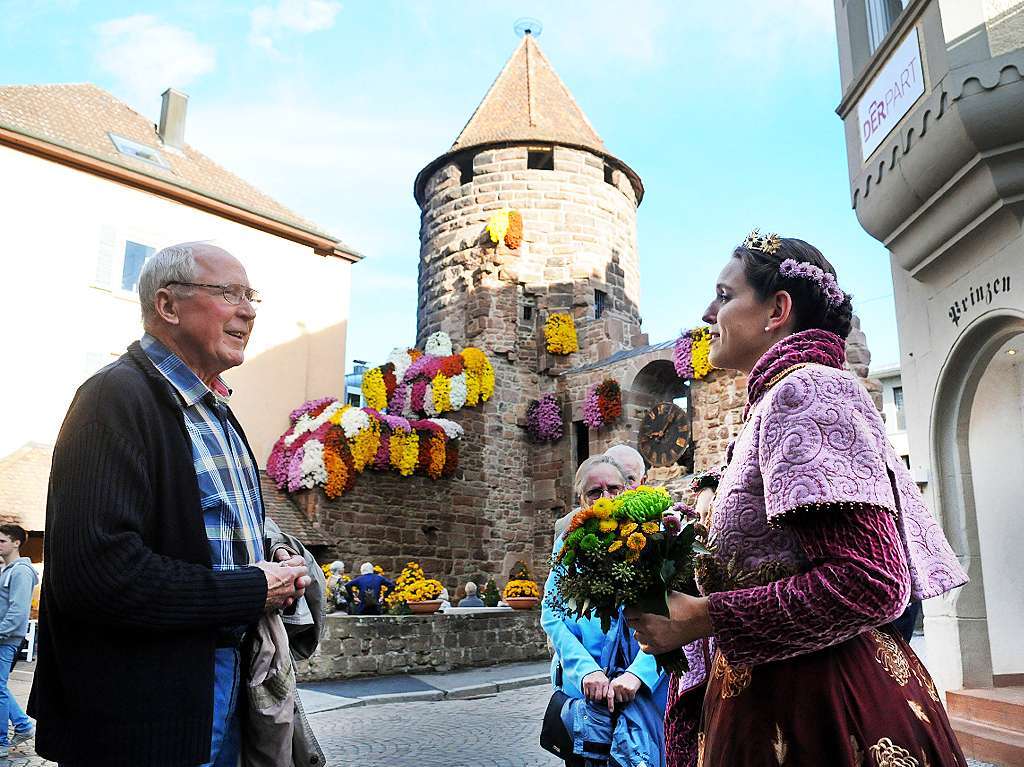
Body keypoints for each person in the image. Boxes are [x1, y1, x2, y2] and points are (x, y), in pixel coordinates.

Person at [626, 231, 969, 765]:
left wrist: (705, 617)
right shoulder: (775, 396)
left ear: (777, 310)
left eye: (724, 294)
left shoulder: (804, 390)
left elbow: (869, 582)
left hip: (822, 707)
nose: (706, 311)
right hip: (777, 691)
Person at [29, 242, 314, 767]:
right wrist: (254, 587)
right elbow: (98, 575)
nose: (248, 310)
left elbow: (220, 539)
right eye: (227, 293)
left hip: (222, 685)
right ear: (167, 306)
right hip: (146, 713)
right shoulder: (113, 398)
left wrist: (280, 566)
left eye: (250, 295)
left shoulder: (217, 413)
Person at [542, 455, 667, 767]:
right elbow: (552, 614)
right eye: (594, 492)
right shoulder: (568, 545)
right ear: (582, 500)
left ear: (626, 491)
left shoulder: (653, 540)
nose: (605, 498)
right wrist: (587, 670)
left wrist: (638, 674)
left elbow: (672, 616)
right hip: (587, 696)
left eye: (613, 488)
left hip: (642, 694)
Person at [0, 525, 37, 758]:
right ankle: (23, 726)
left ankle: (1, 741)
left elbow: (18, 612)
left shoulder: (21, 571)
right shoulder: (7, 569)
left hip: (6, 639)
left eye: (2, 541)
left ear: (16, 543)